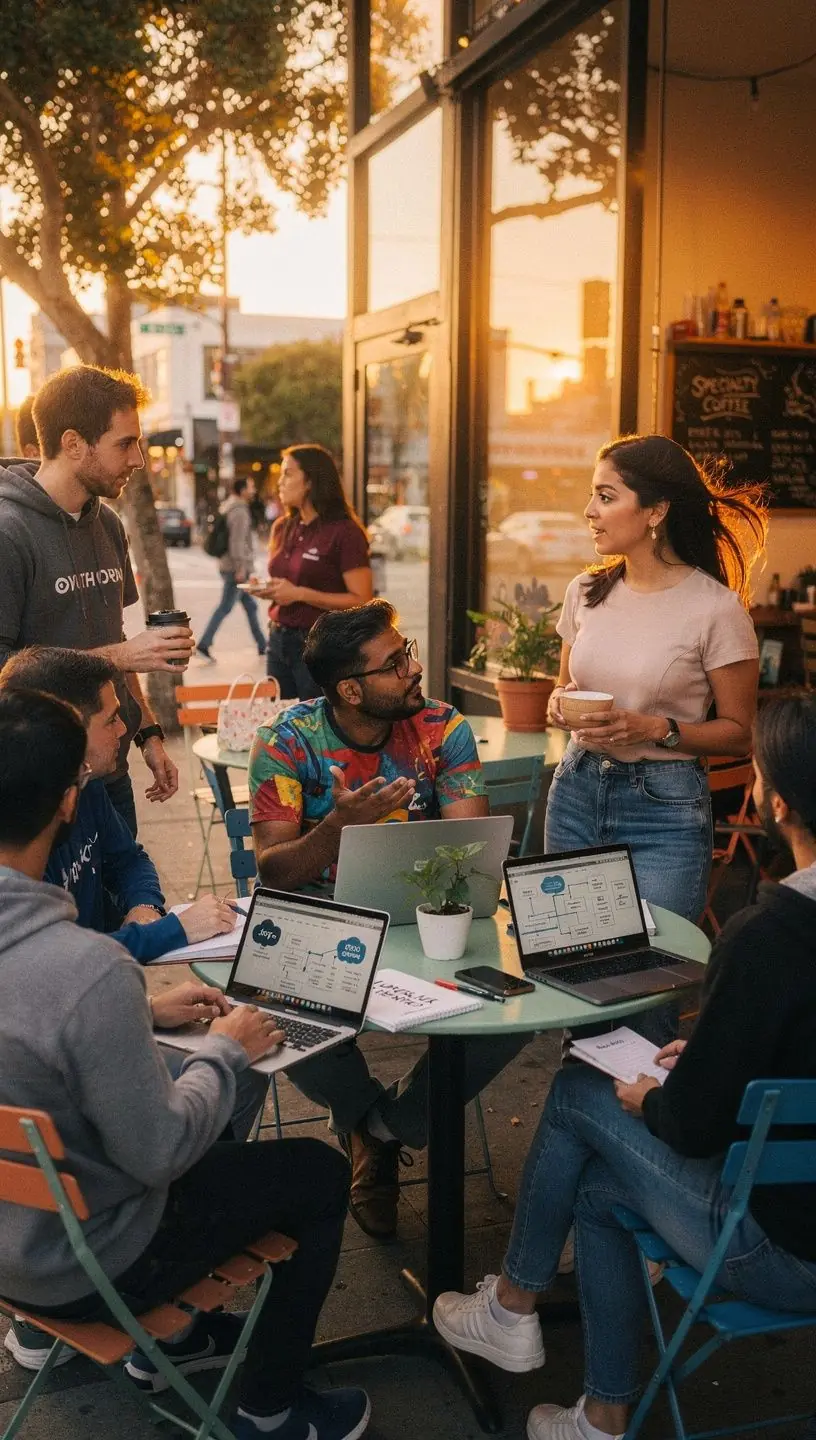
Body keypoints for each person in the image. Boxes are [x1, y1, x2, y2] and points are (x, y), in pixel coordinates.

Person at [432, 691, 816, 1440]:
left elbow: (694, 1128)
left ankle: (513, 1308)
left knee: (581, 1088)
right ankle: (600, 1415)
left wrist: (655, 1099)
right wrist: (705, 1059)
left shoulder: (771, 935)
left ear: (774, 802)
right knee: (603, 1193)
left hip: (784, 1248)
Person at [0, 688, 369, 1440]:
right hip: (92, 1265)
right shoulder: (87, 968)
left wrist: (140, 1014)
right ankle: (272, 1409)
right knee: (317, 1173)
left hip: (12, 1247)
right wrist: (228, 1051)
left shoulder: (80, 976)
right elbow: (162, 1152)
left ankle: (176, 1340)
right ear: (69, 803)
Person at [248, 599, 528, 1239]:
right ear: (350, 688)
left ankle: (382, 1130)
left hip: (427, 915)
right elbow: (276, 871)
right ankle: (362, 1119)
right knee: (274, 1008)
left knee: (521, 1004)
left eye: (407, 653)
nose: (414, 668)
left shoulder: (441, 727)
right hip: (321, 919)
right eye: (396, 662)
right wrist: (341, 828)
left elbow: (475, 857)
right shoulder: (289, 740)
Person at [545, 435, 766, 930]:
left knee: (650, 977)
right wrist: (559, 706)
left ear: (655, 511)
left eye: (606, 496)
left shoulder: (716, 609)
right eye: (591, 496)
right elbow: (562, 691)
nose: (589, 511)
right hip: (576, 791)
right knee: (567, 957)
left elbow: (739, 731)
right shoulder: (584, 592)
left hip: (663, 809)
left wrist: (651, 728)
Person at [0, 365, 195, 837]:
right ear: (73, 444)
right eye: (125, 443)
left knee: (129, 901)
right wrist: (121, 655)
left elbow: (116, 641)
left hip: (111, 772)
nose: (139, 460)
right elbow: (5, 670)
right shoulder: (9, 532)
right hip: (40, 784)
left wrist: (147, 733)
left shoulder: (107, 523)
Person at [248, 445, 373, 700]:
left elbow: (361, 599)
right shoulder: (283, 526)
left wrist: (299, 594)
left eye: (288, 474)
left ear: (310, 482)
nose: (279, 482)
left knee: (316, 730)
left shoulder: (345, 532)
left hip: (321, 645)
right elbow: (288, 581)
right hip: (278, 640)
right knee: (281, 727)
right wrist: (269, 588)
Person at [196, 476, 268, 663]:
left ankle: (263, 645)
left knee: (251, 607)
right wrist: (241, 568)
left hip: (231, 566)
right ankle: (204, 644)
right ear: (242, 490)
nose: (253, 490)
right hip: (235, 568)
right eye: (251, 486)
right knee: (225, 607)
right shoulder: (240, 511)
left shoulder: (229, 506)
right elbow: (236, 542)